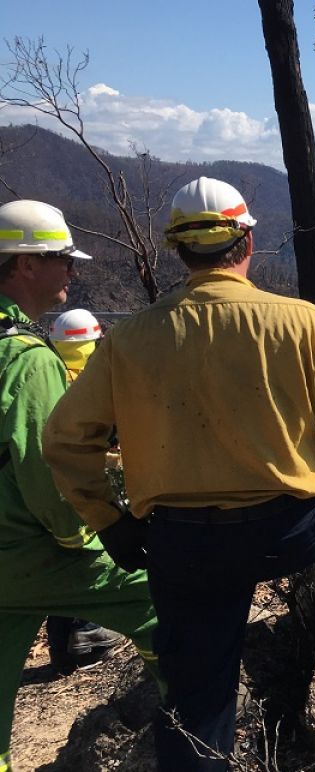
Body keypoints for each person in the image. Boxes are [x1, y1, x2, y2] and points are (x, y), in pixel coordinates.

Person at [45, 177, 315, 771]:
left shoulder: (129, 337)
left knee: (198, 704)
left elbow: (65, 440)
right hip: (286, 533)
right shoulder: (302, 322)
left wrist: (110, 521)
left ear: (178, 249)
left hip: (179, 544)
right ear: (246, 241)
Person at [0, 200, 158, 772]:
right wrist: (87, 536)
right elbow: (48, 474)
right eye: (62, 260)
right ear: (23, 266)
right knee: (162, 597)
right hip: (28, 552)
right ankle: (192, 733)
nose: (73, 271)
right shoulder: (25, 359)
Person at [45, 307, 125, 675]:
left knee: (60, 562)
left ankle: (63, 651)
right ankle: (88, 627)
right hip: (87, 479)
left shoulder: (47, 371)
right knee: (91, 553)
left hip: (44, 486)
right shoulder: (95, 376)